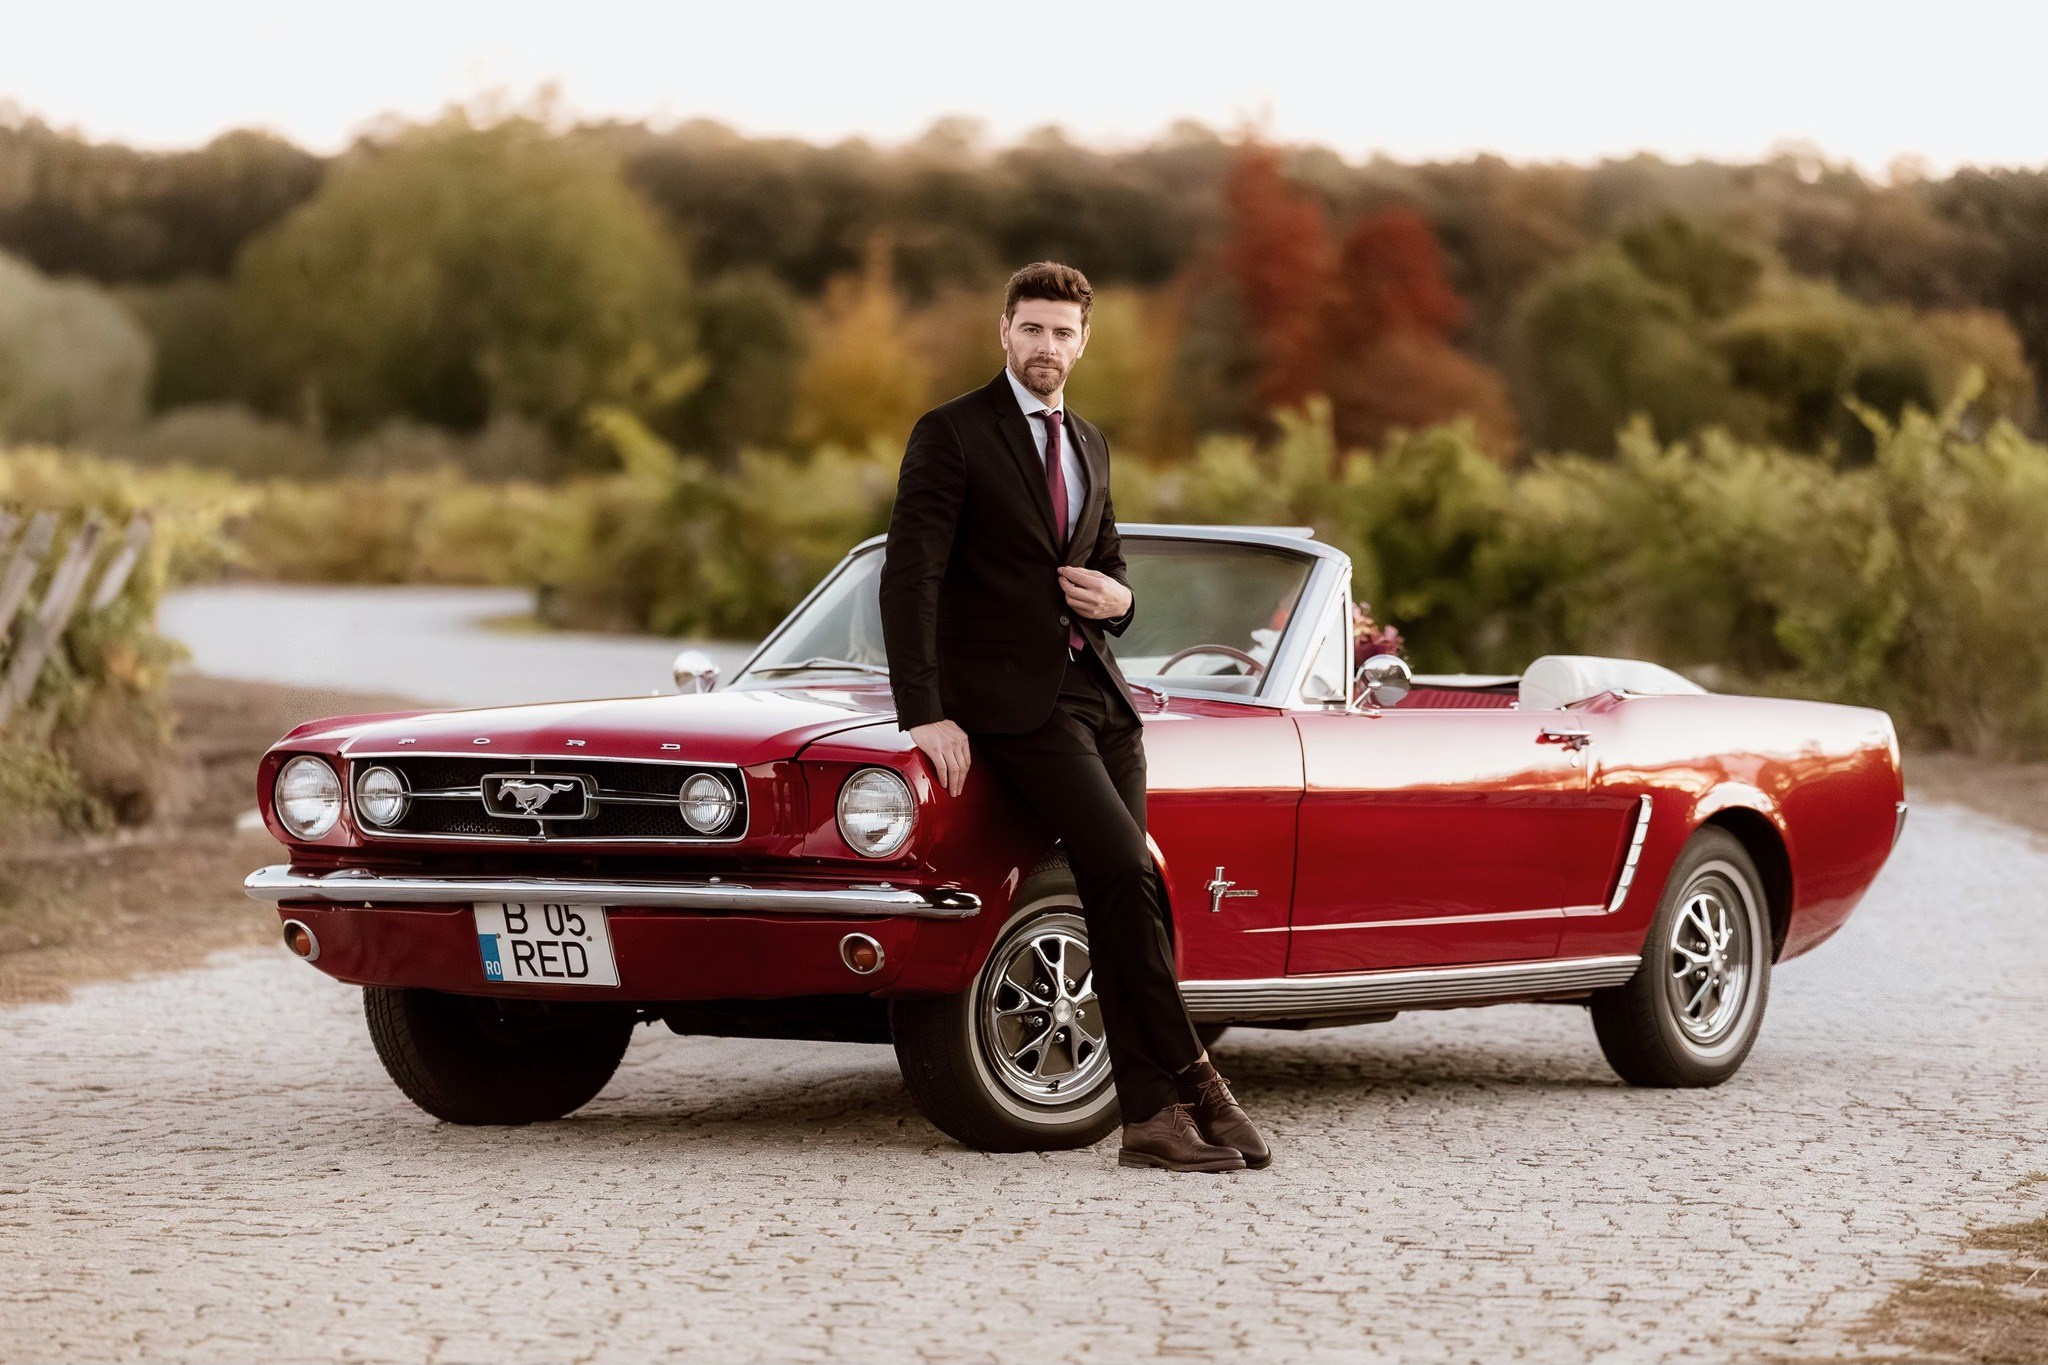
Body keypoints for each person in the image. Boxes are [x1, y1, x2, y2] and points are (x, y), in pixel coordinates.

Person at [879, 261, 1270, 1173]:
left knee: (1124, 898)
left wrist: (1118, 603)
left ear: (1083, 342)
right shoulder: (952, 434)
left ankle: (1149, 1122)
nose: (1046, 346)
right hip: (1013, 707)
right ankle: (1198, 1077)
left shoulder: (1090, 441)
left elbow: (1112, 564)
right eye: (1032, 329)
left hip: (1101, 695)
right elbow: (913, 576)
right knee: (1128, 869)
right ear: (1003, 332)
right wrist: (924, 713)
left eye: (1062, 332)